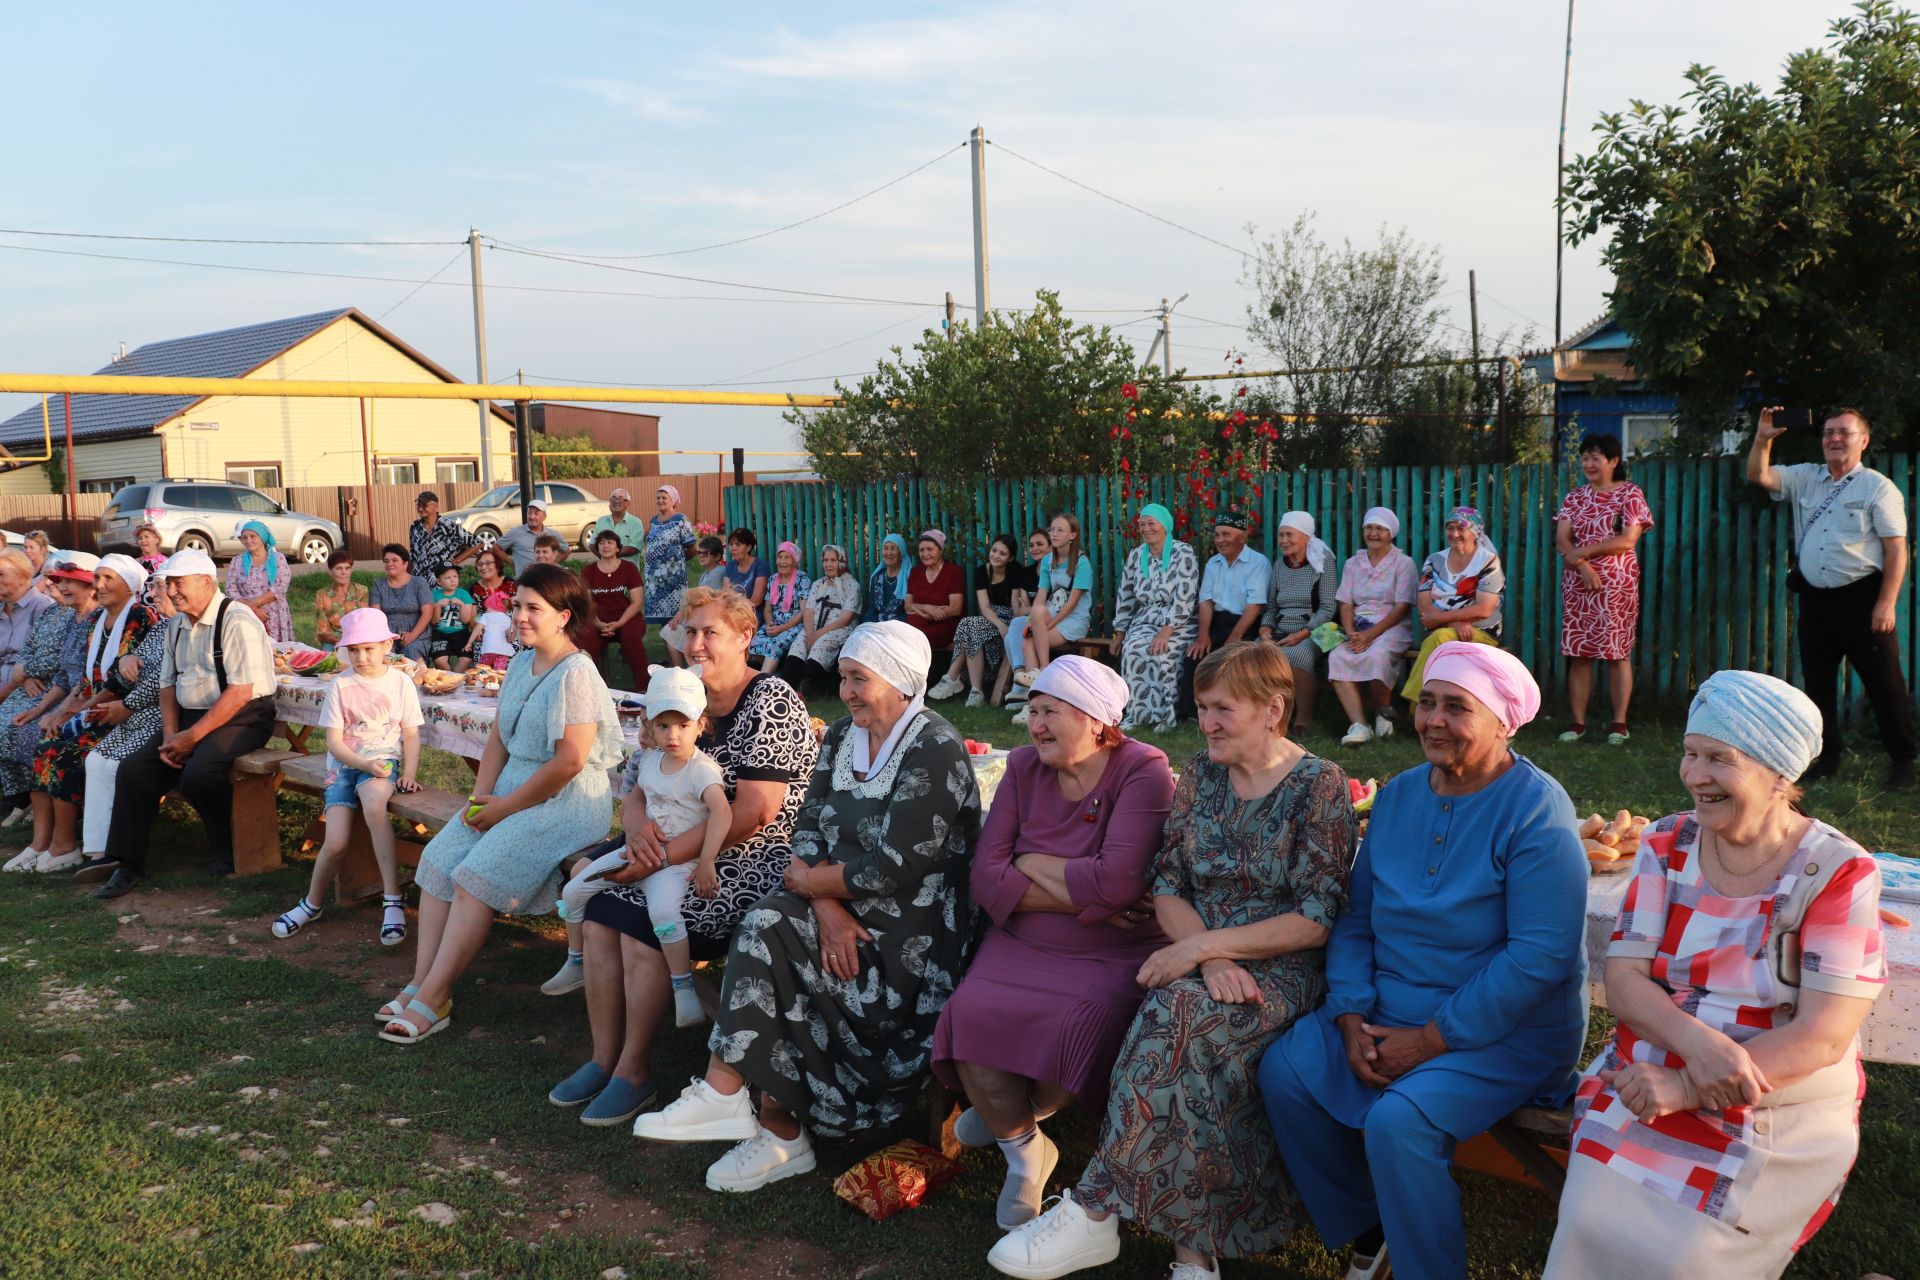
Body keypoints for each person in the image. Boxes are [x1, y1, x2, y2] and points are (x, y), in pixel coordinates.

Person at [988, 643, 1357, 1279]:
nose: (1206, 723)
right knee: (1181, 1024)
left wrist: (1203, 949)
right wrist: (1204, 957)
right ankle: (1192, 1255)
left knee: (1173, 1019)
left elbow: (1314, 918)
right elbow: (1168, 885)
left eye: (1222, 709)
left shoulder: (1317, 786)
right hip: (1199, 959)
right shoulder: (1204, 777)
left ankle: (1096, 1209)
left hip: (1280, 969)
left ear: (1273, 709)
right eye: (1201, 708)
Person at [1259, 642, 1588, 1280]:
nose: (1433, 720)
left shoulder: (1536, 813)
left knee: (1398, 1123)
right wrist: (1350, 1013)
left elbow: (1538, 959)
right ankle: (1372, 1225)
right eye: (1426, 703)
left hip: (1507, 1029)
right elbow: (1356, 916)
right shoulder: (1402, 795)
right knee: (1286, 1073)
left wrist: (1431, 1040)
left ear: (1504, 721)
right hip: (1387, 1009)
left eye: (1456, 708)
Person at [1544, 670, 1886, 1278]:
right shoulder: (1667, 842)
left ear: (1781, 774)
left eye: (1718, 759)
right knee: (1588, 1223)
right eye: (1690, 753)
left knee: (1691, 1260)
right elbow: (1624, 976)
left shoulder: (1837, 872)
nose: (1693, 775)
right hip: (1646, 1073)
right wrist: (1695, 1048)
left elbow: (1824, 1036)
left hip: (1776, 1101)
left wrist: (1689, 1088)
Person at [632, 621, 981, 1194]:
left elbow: (895, 865)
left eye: (858, 679)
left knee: (771, 931)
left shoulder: (934, 747)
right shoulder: (843, 736)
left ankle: (771, 1125)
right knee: (768, 925)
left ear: (898, 683)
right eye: (842, 677)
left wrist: (817, 891)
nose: (845, 692)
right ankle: (753, 1113)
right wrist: (825, 906)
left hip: (909, 932)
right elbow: (808, 826)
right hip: (840, 903)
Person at [554, 586, 817, 1127]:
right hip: (669, 839)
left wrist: (659, 855)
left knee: (639, 924)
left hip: (747, 855)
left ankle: (633, 1071)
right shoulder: (674, 698)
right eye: (689, 631)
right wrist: (637, 832)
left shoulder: (771, 700)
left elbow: (754, 814)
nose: (696, 644)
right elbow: (635, 788)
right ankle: (603, 1058)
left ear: (745, 637)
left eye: (710, 633)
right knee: (600, 911)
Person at [932, 656, 1175, 1229]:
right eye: (1032, 711)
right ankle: (1024, 1151)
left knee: (1075, 1026)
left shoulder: (1144, 768)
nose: (1033, 724)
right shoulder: (1021, 767)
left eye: (1049, 712)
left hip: (1111, 950)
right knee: (973, 1012)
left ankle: (1011, 1110)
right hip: (1024, 938)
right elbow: (985, 876)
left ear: (1095, 721)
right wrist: (1087, 895)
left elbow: (1119, 882)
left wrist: (1031, 859)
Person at [377, 564, 624, 1043]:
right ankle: (420, 981)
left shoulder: (577, 673)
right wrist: (479, 800)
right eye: (518, 605)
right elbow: (497, 740)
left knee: (475, 878)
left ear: (563, 616)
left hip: (566, 802)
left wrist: (503, 808)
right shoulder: (518, 663)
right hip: (511, 791)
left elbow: (570, 762)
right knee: (437, 861)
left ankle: (436, 997)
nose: (522, 616)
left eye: (535, 608)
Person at [86, 550, 280, 899]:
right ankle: (127, 864)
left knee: (200, 774)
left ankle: (227, 848)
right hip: (192, 717)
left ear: (206, 582)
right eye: (167, 583)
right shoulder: (177, 623)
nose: (171, 591)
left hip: (244, 716)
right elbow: (168, 685)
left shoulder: (237, 620)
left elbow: (240, 693)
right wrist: (173, 734)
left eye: (178, 582)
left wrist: (191, 737)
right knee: (134, 770)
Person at [1748, 405, 1916, 788]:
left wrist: (1886, 603)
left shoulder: (1877, 487)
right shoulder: (1805, 477)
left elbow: (1896, 549)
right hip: (1815, 600)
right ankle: (1827, 758)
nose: (1835, 439)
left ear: (1864, 441)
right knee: (1818, 684)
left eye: (1844, 432)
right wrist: (1762, 438)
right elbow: (1758, 474)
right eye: (1828, 433)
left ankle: (1903, 761)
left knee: (1885, 683)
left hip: (1863, 599)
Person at [555, 666, 731, 1029]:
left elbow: (723, 813)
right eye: (663, 725)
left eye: (683, 726)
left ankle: (682, 988)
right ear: (649, 726)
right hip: (637, 853)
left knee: (665, 916)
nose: (673, 735)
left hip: (674, 864)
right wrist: (635, 833)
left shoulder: (701, 771)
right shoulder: (651, 762)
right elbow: (635, 800)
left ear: (700, 725)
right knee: (573, 891)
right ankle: (575, 961)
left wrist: (707, 860)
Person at [270, 609, 423, 946]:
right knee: (335, 841)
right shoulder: (341, 684)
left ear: (387, 645)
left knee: (373, 808)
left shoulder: (400, 682)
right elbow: (334, 744)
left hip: (382, 761)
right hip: (344, 765)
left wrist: (408, 773)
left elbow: (411, 735)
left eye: (369, 648)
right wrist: (362, 765)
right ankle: (312, 903)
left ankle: (393, 898)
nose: (361, 657)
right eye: (354, 650)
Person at [15, 556, 161, 873]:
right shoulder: (98, 621)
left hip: (123, 715)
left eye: (108, 578)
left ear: (129, 584)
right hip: (96, 712)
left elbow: (119, 683)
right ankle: (43, 842)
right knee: (44, 746)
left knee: (61, 753)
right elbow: (87, 678)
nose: (100, 584)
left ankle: (65, 845)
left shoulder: (139, 616)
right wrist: (64, 712)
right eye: (97, 577)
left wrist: (76, 712)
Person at [69, 564, 173, 877]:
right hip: (138, 710)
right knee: (97, 759)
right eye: (152, 588)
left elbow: (168, 680)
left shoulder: (186, 627)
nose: (152, 594)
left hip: (165, 715)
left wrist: (127, 703)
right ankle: (98, 851)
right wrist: (127, 659)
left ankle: (118, 850)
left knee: (117, 765)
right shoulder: (163, 626)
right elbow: (120, 673)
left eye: (159, 587)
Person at [1556, 432, 1655, 745]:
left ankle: (1619, 723)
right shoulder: (1575, 497)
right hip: (1577, 585)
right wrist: (1583, 567)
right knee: (1579, 653)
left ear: (1613, 461)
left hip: (1617, 586)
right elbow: (1563, 540)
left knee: (1616, 652)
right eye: (1585, 458)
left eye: (1595, 458)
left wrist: (1583, 553)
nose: (1588, 463)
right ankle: (1578, 723)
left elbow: (1627, 539)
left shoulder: (1630, 494)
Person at [11, 557, 100, 871]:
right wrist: (36, 710)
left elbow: (92, 681)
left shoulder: (98, 620)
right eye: (59, 581)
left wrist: (60, 714)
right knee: (28, 729)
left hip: (93, 705)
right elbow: (64, 677)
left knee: (42, 739)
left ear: (92, 587)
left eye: (70, 581)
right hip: (72, 702)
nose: (61, 587)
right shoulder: (73, 618)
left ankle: (61, 840)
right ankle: (41, 840)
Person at [0, 555, 82, 862]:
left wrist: (23, 673)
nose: (51, 583)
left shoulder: (79, 616)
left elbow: (60, 667)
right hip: (54, 691)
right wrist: (24, 671)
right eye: (51, 578)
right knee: (22, 726)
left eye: (61, 579)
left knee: (30, 735)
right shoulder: (56, 614)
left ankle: (57, 832)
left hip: (70, 697)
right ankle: (38, 832)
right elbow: (32, 651)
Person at [1107, 503, 1199, 732]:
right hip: (1146, 618)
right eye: (1142, 524)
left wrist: (1167, 631)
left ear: (1165, 526)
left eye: (1151, 523)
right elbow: (1126, 595)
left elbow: (1186, 595)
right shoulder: (1137, 555)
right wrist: (1120, 634)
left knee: (1163, 652)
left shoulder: (1183, 552)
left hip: (1179, 620)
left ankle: (1167, 717)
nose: (1146, 529)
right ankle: (1137, 715)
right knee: (1134, 649)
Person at [1399, 505, 1504, 704]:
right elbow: (1423, 603)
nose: (1454, 534)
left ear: (1475, 532)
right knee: (1441, 636)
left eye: (1460, 528)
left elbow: (1484, 608)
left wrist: (1440, 619)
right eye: (1450, 528)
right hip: (1444, 629)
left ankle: (1416, 706)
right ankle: (1424, 707)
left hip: (1480, 631)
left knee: (1439, 637)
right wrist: (1452, 623)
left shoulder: (1488, 562)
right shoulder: (1434, 560)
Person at [1331, 507, 1418, 746]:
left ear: (1391, 534)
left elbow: (1401, 607)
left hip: (1391, 626)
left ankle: (1383, 714)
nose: (1373, 533)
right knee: (1338, 655)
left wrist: (1370, 635)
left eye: (1380, 529)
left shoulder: (1403, 563)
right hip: (1358, 626)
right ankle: (1359, 724)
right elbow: (1346, 603)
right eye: (1369, 528)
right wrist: (1351, 633)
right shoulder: (1353, 564)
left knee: (1378, 654)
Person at [1179, 512, 1271, 723]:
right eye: (1218, 534)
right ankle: (1193, 714)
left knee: (1231, 660)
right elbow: (1206, 601)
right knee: (1195, 654)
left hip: (1245, 623)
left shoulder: (1258, 562)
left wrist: (1235, 637)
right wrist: (1203, 635)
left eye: (1226, 534)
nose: (1220, 540)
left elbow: (1255, 605)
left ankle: (1231, 714)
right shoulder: (1214, 563)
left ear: (1242, 536)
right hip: (1217, 622)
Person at [1008, 514, 1094, 724]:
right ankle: (1035, 696)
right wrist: (1031, 621)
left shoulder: (1081, 563)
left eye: (1060, 530)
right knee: (1034, 619)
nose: (1054, 534)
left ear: (1072, 535)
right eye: (1052, 529)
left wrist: (1044, 628)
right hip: (1052, 614)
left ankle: (1039, 680)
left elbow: (1073, 603)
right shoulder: (1048, 560)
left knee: (1030, 644)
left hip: (1074, 619)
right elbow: (1041, 596)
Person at [1259, 510, 1338, 736]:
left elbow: (1327, 608)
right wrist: (1265, 630)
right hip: (1282, 628)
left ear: (1306, 537)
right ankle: (1267, 715)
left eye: (1289, 535)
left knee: (1298, 654)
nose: (1283, 540)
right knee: (1255, 652)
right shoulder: (1279, 565)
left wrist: (1303, 633)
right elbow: (1271, 608)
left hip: (1319, 628)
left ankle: (1303, 718)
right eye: (1281, 535)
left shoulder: (1324, 563)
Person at [930, 534, 1032, 707]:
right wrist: (999, 625)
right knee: (970, 626)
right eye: (994, 550)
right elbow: (985, 607)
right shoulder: (982, 572)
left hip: (1010, 618)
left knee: (968, 626)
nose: (996, 556)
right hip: (991, 618)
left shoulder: (1015, 570)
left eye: (1002, 553)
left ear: (1011, 557)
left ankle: (959, 681)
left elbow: (1015, 605)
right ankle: (972, 689)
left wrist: (1009, 623)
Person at [0, 551, 52, 827]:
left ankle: (20, 797)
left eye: (1, 574)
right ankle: (15, 794)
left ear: (24, 576)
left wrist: (15, 683)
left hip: (28, 685)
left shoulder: (41, 607)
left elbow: (39, 657)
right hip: (12, 680)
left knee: (8, 723)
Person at [776, 543, 861, 696]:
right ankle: (785, 689)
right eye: (825, 560)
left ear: (842, 561)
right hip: (812, 628)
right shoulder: (817, 584)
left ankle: (807, 688)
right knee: (798, 648)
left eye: (833, 560)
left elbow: (846, 618)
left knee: (818, 649)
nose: (828, 564)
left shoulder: (852, 585)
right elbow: (808, 612)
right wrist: (810, 633)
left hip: (837, 629)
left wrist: (818, 635)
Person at [581, 529, 648, 687]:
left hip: (627, 618)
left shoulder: (629, 568)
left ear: (618, 548)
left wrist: (619, 623)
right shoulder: (588, 571)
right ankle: (585, 686)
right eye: (601, 543)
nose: (605, 545)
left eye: (610, 542)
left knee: (630, 637)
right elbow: (587, 602)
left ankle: (643, 686)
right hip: (597, 619)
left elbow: (637, 602)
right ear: (597, 548)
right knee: (585, 640)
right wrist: (598, 623)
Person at [663, 535, 727, 664]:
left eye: (706, 553)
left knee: (672, 631)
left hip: (710, 616)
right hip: (701, 614)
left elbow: (702, 598)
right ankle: (681, 669)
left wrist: (682, 613)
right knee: (671, 632)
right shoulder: (706, 573)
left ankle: (681, 670)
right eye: (700, 553)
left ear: (717, 556)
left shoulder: (718, 572)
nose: (701, 556)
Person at [227, 520, 293, 643]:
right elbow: (231, 590)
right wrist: (252, 609)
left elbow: (281, 586)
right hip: (247, 615)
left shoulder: (278, 558)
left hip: (274, 615)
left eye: (253, 536)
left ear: (262, 537)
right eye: (244, 537)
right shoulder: (236, 561)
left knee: (278, 655)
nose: (248, 540)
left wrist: (254, 603)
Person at [749, 542, 811, 671]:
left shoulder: (802, 579)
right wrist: (770, 623)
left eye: (787, 557)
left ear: (795, 561)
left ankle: (763, 680)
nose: (782, 561)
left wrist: (782, 628)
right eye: (780, 557)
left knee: (774, 645)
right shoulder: (773, 579)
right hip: (774, 623)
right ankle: (772, 672)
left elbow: (803, 612)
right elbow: (768, 608)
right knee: (753, 643)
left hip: (794, 624)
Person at [644, 485, 699, 628]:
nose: (660, 500)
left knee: (676, 617)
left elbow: (692, 548)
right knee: (663, 620)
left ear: (673, 500)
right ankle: (668, 645)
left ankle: (679, 648)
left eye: (664, 498)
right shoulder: (653, 521)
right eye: (658, 498)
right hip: (654, 578)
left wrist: (675, 562)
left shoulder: (680, 519)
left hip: (673, 577)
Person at [368, 544, 435, 662]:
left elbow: (428, 613)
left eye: (395, 560)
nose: (390, 564)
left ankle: (422, 677)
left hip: (417, 634)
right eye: (386, 561)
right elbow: (375, 614)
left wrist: (413, 635)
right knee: (385, 658)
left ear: (405, 564)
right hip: (386, 635)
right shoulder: (379, 584)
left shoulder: (419, 583)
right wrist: (386, 636)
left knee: (413, 654)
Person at [903, 529, 964, 652]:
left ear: (940, 550)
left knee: (913, 639)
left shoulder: (953, 571)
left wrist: (930, 615)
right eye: (922, 550)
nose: (925, 554)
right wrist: (927, 608)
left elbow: (956, 608)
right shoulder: (915, 572)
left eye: (930, 549)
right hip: (917, 622)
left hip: (944, 623)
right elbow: (908, 605)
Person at [409, 490, 480, 577]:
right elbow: (413, 554)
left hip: (441, 580)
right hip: (420, 580)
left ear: (435, 506)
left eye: (424, 506)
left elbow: (478, 543)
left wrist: (455, 561)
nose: (420, 509)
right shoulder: (415, 527)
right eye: (418, 506)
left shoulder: (447, 525)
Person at [312, 549, 369, 648]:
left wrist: (351, 641)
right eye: (339, 568)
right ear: (330, 572)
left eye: (347, 568)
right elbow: (323, 629)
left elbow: (364, 622)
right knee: (327, 658)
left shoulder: (361, 591)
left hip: (357, 638)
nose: (344, 572)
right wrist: (341, 641)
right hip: (332, 641)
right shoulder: (322, 594)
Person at [428, 564, 476, 672]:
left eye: (455, 576)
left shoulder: (463, 594)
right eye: (447, 578)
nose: (452, 580)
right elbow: (434, 622)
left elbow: (466, 620)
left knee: (466, 658)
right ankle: (450, 678)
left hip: (461, 632)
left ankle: (456, 679)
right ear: (439, 581)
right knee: (439, 661)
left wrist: (462, 605)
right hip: (440, 633)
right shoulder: (434, 595)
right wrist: (438, 606)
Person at [591, 488, 648, 574]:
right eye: (613, 498)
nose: (616, 501)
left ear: (628, 503)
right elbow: (592, 544)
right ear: (610, 503)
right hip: (605, 571)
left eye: (620, 498)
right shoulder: (601, 521)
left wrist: (608, 553)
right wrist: (605, 557)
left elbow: (634, 548)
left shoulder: (636, 522)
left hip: (628, 573)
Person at [493, 497, 551, 577]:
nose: (531, 517)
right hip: (523, 580)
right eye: (529, 513)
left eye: (536, 513)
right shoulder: (516, 532)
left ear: (544, 516)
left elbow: (566, 550)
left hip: (546, 579)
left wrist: (554, 562)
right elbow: (496, 548)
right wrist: (512, 563)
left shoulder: (551, 533)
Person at [721, 528, 770, 610]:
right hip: (732, 613)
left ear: (748, 547)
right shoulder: (730, 566)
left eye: (738, 545)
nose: (733, 548)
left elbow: (756, 601)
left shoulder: (761, 566)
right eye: (731, 544)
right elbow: (725, 595)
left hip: (752, 615)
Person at [863, 533, 908, 623]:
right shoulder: (876, 578)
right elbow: (872, 610)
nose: (888, 553)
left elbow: (909, 613)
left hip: (900, 628)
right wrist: (868, 626)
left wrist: (888, 627)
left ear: (901, 552)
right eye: (885, 548)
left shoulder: (909, 578)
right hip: (877, 627)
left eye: (893, 548)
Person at [467, 590, 516, 672]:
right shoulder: (507, 618)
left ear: (493, 606)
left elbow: (477, 629)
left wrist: (469, 643)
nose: (486, 610)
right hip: (503, 652)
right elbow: (509, 635)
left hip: (489, 649)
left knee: (482, 671)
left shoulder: (486, 616)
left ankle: (482, 684)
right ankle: (497, 684)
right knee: (498, 673)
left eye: (487, 607)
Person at [470, 546, 515, 616]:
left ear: (497, 566)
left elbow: (517, 609)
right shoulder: (474, 589)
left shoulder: (509, 583)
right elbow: (472, 619)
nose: (483, 567)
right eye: (480, 564)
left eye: (488, 563)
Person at [133, 523, 168, 606]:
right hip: (140, 608)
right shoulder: (135, 563)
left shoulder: (166, 562)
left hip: (161, 606)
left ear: (156, 539)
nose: (143, 540)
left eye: (146, 537)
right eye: (140, 538)